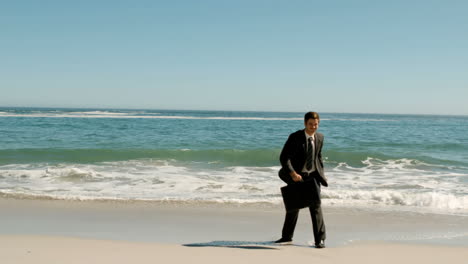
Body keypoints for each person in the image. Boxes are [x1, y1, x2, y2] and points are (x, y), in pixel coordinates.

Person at [275, 111, 328, 248]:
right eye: (310, 124)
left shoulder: (320, 137)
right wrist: (292, 173)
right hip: (297, 176)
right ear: (305, 123)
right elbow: (284, 158)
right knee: (294, 205)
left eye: (316, 124)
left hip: (313, 176)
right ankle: (286, 237)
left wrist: (321, 174)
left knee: (316, 206)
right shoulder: (295, 137)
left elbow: (318, 157)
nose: (313, 127)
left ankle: (320, 240)